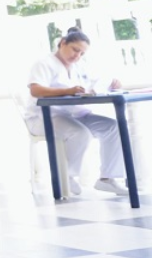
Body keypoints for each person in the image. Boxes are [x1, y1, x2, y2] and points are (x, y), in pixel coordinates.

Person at [25, 27, 127, 195]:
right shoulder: (44, 63)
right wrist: (67, 91)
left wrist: (112, 84)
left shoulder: (79, 66)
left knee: (112, 127)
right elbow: (35, 90)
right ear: (62, 43)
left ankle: (108, 179)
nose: (77, 56)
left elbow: (94, 83)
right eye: (75, 50)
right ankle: (67, 176)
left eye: (81, 53)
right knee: (81, 133)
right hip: (44, 117)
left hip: (74, 115)